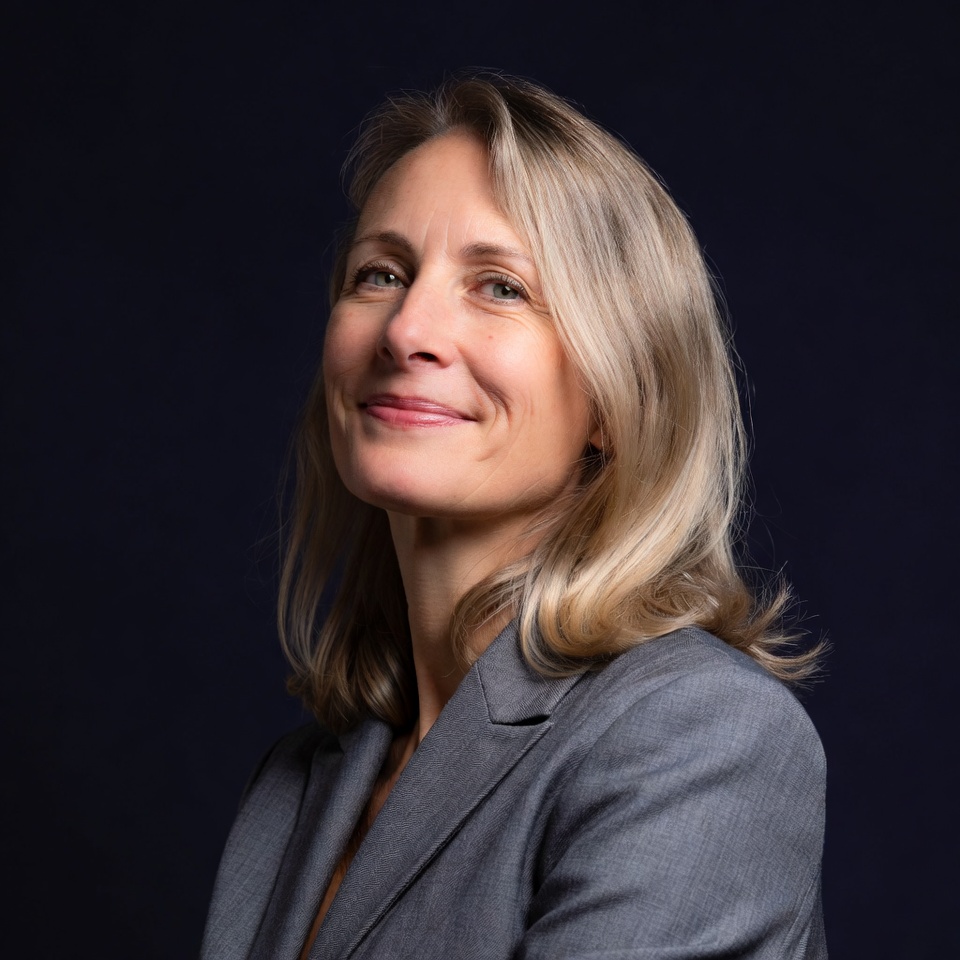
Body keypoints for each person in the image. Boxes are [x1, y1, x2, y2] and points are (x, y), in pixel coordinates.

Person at [201, 75, 827, 960]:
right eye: (379, 273)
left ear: (619, 398)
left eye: (499, 287)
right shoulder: (297, 784)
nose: (407, 329)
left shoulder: (700, 738)